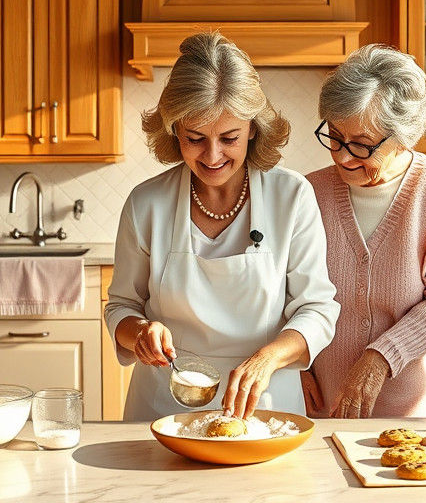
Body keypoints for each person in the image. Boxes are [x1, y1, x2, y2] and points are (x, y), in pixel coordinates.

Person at [104, 32, 340, 421]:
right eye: (195, 138)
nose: (212, 156)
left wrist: (267, 359)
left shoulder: (292, 195)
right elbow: (122, 307)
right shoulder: (146, 203)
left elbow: (316, 309)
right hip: (163, 405)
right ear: (174, 130)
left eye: (228, 138)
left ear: (252, 128)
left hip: (265, 405)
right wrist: (141, 332)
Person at [301, 44, 426, 418]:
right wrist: (296, 365)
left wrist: (381, 357)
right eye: (334, 135)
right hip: (325, 400)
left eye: (362, 145)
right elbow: (285, 292)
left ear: (402, 137)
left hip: (416, 402)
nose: (343, 156)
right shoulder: (308, 192)